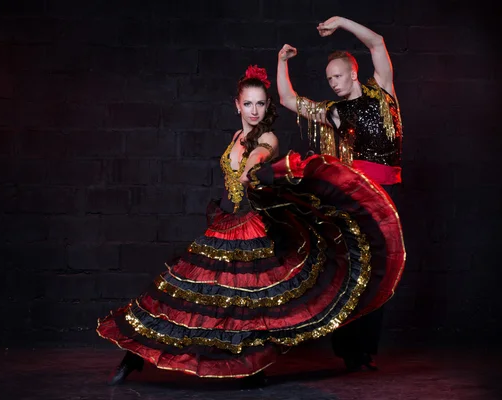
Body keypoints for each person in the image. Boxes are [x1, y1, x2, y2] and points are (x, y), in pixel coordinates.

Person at [97, 64, 405, 388]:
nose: (255, 110)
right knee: (185, 293)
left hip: (252, 229)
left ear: (266, 107)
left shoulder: (267, 138)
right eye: (249, 104)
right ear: (238, 105)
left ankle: (251, 367)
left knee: (248, 303)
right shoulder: (235, 136)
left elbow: (262, 153)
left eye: (260, 104)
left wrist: (255, 164)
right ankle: (134, 357)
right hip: (225, 224)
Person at [276, 16, 404, 372]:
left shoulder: (383, 91)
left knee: (382, 271)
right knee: (356, 270)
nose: (332, 83)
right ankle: (351, 351)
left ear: (352, 73)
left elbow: (377, 41)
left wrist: (342, 23)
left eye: (336, 76)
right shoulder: (335, 113)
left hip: (389, 192)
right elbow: (288, 99)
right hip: (358, 197)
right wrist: (282, 62)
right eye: (328, 79)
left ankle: (364, 350)